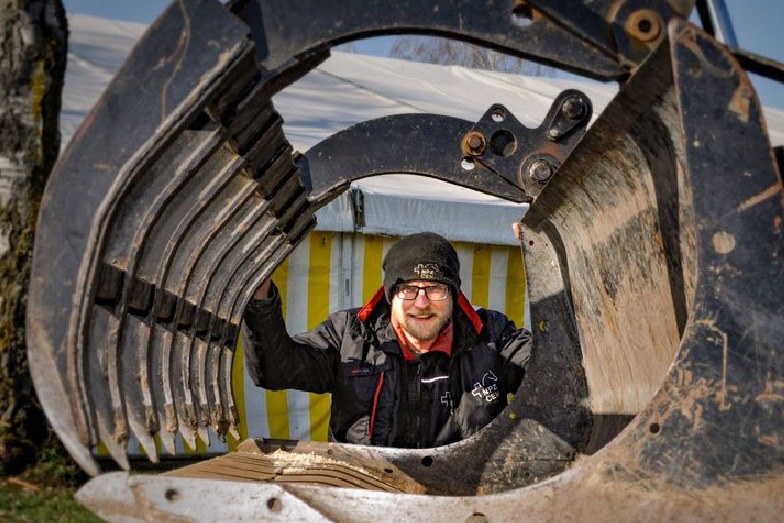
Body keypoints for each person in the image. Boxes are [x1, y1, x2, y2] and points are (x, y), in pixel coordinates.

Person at [243, 232, 531, 448]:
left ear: (454, 295)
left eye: (435, 288)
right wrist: (259, 294)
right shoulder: (349, 335)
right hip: (368, 497)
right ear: (391, 294)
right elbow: (274, 369)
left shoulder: (493, 336)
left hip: (462, 501)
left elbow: (555, 370)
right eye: (407, 288)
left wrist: (547, 256)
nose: (421, 303)